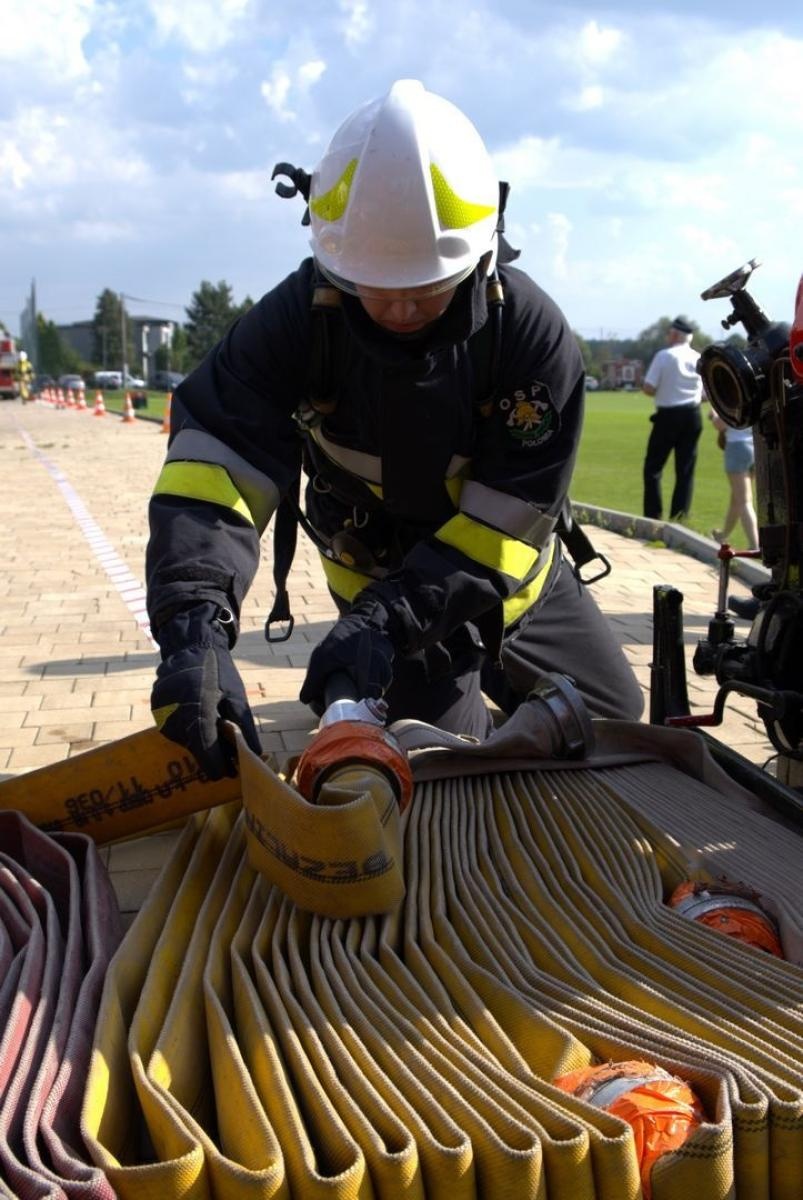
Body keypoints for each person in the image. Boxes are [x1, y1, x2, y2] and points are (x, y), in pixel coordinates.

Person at [145, 79, 644, 779]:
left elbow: (505, 526)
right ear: (332, 261)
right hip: (382, 593)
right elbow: (211, 473)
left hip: (513, 588)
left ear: (480, 256)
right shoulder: (294, 322)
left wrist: (388, 619)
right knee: (435, 768)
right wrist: (193, 630)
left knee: (619, 732)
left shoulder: (528, 335)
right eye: (378, 289)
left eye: (426, 288)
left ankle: (503, 695)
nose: (403, 311)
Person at [641, 316, 704, 521]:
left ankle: (653, 515)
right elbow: (704, 396)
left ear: (676, 335)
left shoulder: (664, 356)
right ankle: (679, 517)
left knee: (653, 468)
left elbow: (649, 388)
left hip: (667, 416)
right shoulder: (698, 358)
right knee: (685, 471)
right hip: (692, 415)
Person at [709, 412, 759, 551]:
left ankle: (754, 544)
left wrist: (713, 416)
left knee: (744, 501)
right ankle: (723, 534)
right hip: (755, 447)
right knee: (737, 499)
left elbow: (720, 424)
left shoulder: (732, 401)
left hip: (737, 447)